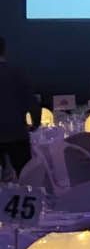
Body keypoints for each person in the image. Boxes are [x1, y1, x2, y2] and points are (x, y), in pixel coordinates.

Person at [0, 37, 38, 177]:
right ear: (4, 50)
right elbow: (31, 102)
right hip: (17, 134)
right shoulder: (18, 73)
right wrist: (35, 123)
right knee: (25, 178)